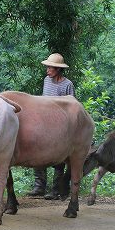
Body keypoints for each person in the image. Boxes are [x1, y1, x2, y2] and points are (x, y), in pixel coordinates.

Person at [27, 53, 75, 199]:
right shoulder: (46, 81)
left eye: (50, 67)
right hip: (44, 121)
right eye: (47, 67)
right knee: (37, 152)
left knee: (59, 157)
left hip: (60, 123)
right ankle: (39, 187)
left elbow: (72, 105)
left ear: (58, 69)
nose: (48, 70)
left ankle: (56, 190)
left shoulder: (67, 84)